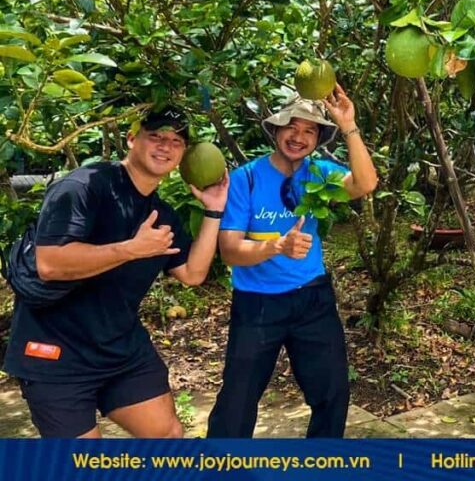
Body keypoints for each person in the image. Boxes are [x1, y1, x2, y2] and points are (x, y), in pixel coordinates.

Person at [2, 105, 226, 438]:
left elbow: (193, 274)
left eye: (176, 141)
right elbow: (49, 264)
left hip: (120, 350)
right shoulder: (83, 187)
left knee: (167, 436)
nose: (165, 146)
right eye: (155, 136)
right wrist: (129, 249)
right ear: (131, 139)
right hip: (56, 353)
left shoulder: (160, 214)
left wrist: (214, 210)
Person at [206, 85, 377, 438]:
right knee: (237, 402)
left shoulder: (318, 174)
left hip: (312, 300)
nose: (298, 137)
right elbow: (229, 250)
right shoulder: (246, 179)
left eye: (309, 130)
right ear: (276, 130)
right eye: (292, 127)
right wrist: (277, 247)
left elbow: (365, 183)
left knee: (332, 394)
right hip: (257, 304)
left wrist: (348, 125)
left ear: (317, 138)